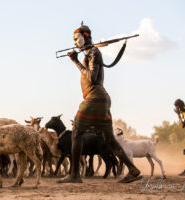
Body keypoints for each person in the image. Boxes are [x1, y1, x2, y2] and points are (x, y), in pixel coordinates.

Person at [58, 22, 142, 183]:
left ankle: (75, 175)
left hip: (93, 98)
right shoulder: (90, 53)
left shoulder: (94, 53)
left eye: (77, 39)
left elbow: (92, 77)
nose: (75, 43)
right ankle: (133, 169)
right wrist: (79, 59)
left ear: (86, 37)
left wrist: (75, 61)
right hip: (101, 100)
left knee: (76, 133)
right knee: (109, 139)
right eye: (74, 40)